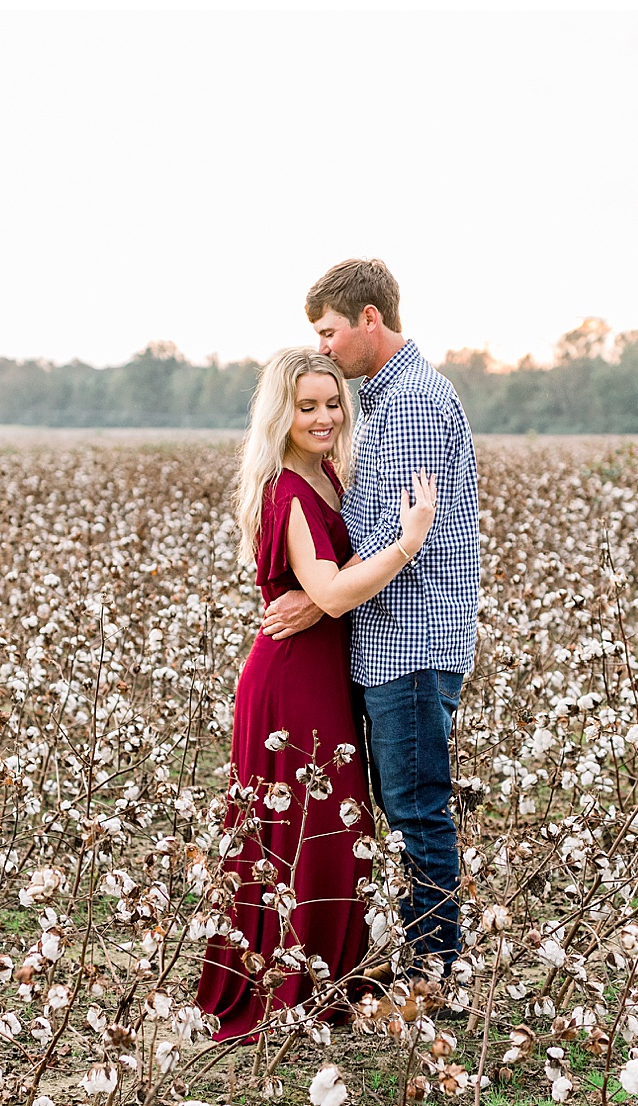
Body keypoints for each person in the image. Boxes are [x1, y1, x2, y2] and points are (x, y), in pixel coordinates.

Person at [194, 347, 437, 1043]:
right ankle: (285, 987)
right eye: (308, 407)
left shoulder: (327, 474)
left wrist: (325, 593)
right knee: (309, 832)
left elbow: (328, 583)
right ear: (283, 413)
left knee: (334, 828)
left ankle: (323, 979)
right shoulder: (289, 489)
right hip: (289, 681)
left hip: (320, 670)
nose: (325, 416)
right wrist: (407, 543)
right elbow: (332, 588)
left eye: (333, 402)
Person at [262, 259, 480, 985]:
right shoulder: (386, 401)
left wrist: (320, 596)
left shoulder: (413, 401)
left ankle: (437, 968)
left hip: (408, 641)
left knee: (416, 810)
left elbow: (395, 541)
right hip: (386, 641)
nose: (322, 346)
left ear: (368, 321)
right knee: (401, 806)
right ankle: (424, 954)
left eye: (328, 331)